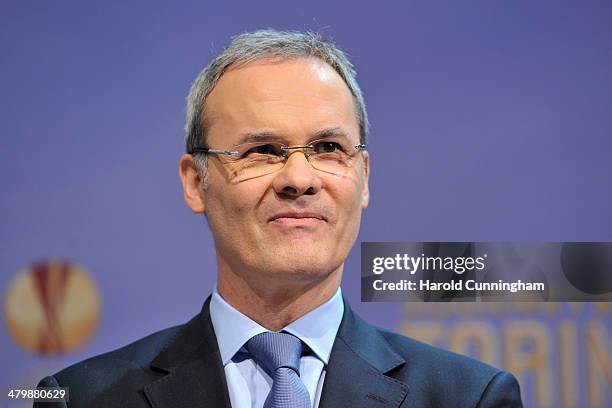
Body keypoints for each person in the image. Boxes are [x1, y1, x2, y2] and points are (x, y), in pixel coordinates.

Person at [35, 29, 523, 408]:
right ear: (194, 181)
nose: (299, 178)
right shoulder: (80, 397)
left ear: (364, 176)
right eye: (262, 150)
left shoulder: (468, 397)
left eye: (328, 148)